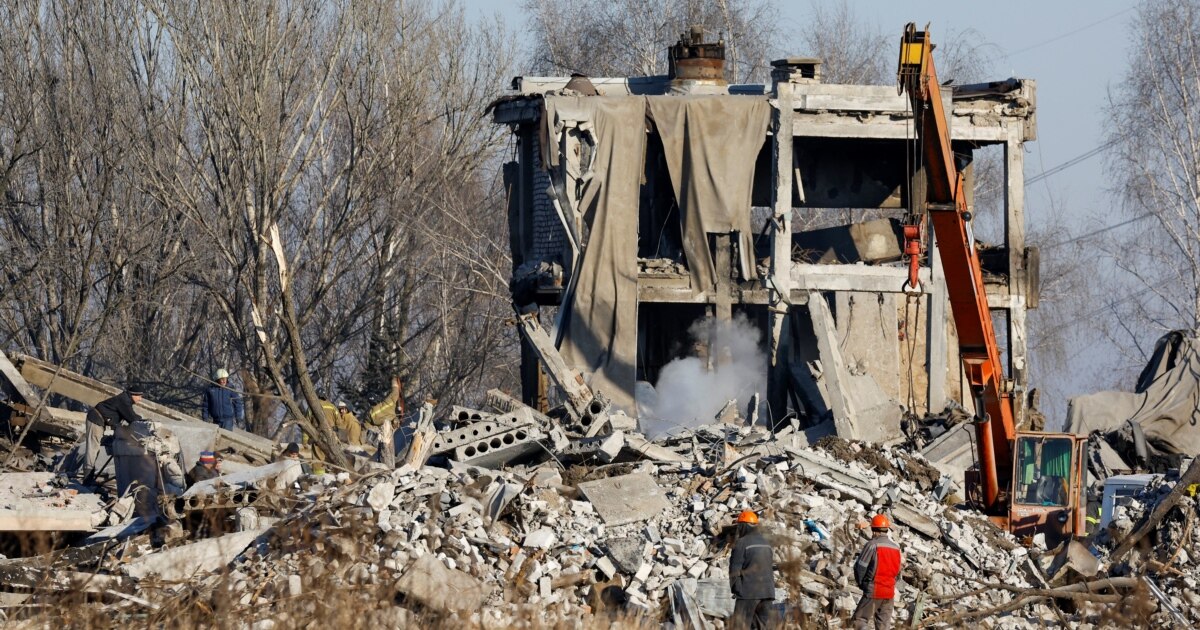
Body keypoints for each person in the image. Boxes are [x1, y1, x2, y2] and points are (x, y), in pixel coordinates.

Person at [93, 386, 162, 519]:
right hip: (96, 419)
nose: (141, 399)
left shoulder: (125, 400)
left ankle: (89, 478)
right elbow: (132, 417)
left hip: (102, 421)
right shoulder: (123, 401)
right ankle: (87, 479)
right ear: (132, 395)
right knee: (93, 450)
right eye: (139, 396)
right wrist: (142, 421)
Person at [852, 513, 904, 630]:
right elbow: (897, 572)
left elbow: (860, 568)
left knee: (859, 620)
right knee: (883, 626)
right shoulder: (896, 548)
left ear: (874, 530)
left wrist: (862, 584)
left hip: (874, 590)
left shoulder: (872, 545)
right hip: (889, 593)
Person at [728, 509, 775, 629]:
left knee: (740, 626)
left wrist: (737, 589)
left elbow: (734, 569)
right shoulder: (766, 543)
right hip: (767, 593)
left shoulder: (741, 543)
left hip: (748, 593)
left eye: (739, 525)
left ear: (743, 526)